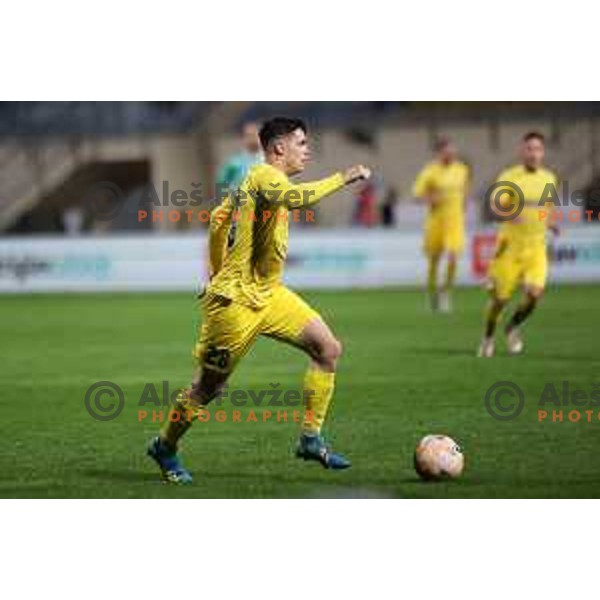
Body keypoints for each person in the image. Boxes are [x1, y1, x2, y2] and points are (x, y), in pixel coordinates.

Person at [148, 117, 371, 483]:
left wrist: (218, 266)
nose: (307, 149)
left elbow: (219, 220)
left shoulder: (256, 184)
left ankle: (310, 439)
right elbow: (298, 200)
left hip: (270, 294)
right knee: (208, 388)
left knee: (327, 349)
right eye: (301, 143)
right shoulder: (264, 175)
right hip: (236, 306)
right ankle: (165, 446)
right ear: (278, 148)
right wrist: (342, 177)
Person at [478, 131, 559, 358]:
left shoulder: (549, 178)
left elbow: (546, 209)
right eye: (529, 149)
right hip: (510, 248)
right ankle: (487, 337)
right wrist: (510, 214)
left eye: (538, 149)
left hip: (536, 248)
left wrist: (550, 223)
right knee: (500, 300)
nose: (534, 153)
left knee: (535, 294)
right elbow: (495, 206)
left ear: (543, 153)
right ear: (522, 151)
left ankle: (512, 327)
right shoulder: (509, 177)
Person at [413, 138, 471, 312]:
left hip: (455, 222)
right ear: (439, 153)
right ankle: (432, 295)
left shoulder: (462, 169)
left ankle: (445, 293)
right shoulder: (430, 171)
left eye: (453, 152)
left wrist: (463, 206)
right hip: (436, 221)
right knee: (434, 261)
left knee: (453, 257)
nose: (451, 155)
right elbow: (417, 194)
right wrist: (431, 199)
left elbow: (465, 190)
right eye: (447, 152)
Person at [216, 121, 263, 194]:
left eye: (255, 135)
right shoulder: (234, 163)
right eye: (249, 135)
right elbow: (222, 183)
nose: (252, 138)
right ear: (243, 138)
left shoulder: (269, 161)